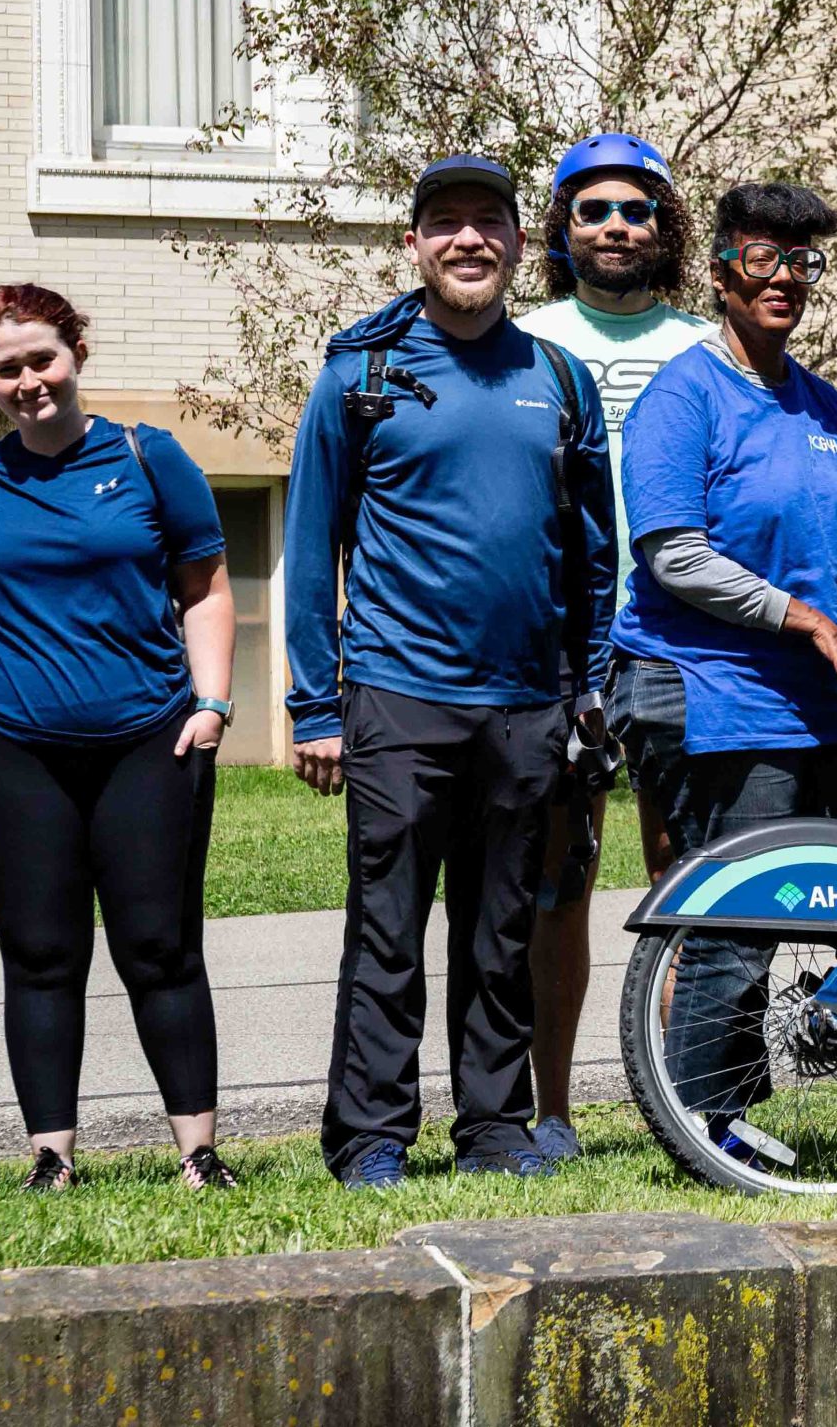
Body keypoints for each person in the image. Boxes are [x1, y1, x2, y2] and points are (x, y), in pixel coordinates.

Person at [613, 181, 837, 1155]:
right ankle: (708, 1118)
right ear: (723, 271)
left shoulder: (819, 402)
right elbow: (670, 552)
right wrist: (794, 616)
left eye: (803, 262)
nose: (785, 279)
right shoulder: (682, 396)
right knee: (739, 921)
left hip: (836, 698)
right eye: (763, 259)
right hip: (720, 690)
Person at [284, 153, 615, 1189]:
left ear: (522, 243)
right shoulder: (361, 376)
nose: (467, 240)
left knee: (500, 930)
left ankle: (492, 1129)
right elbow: (309, 547)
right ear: (413, 245)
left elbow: (593, 551)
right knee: (387, 929)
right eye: (445, 224)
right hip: (397, 695)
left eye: (488, 223)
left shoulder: (559, 380)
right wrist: (311, 704)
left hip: (526, 704)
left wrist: (588, 686)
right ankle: (371, 1137)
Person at [0, 284, 240, 1190]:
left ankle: (198, 1151)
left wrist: (211, 704)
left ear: (77, 350)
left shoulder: (149, 457)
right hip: (10, 745)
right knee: (39, 952)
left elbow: (207, 588)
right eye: (8, 368)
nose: (29, 380)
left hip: (150, 739)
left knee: (159, 946)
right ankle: (52, 1157)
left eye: (43, 358)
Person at [513, 131, 709, 1164]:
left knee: (684, 878)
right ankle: (551, 1111)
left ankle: (688, 1104)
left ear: (664, 227)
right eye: (593, 212)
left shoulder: (703, 347)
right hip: (562, 651)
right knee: (560, 880)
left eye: (635, 211)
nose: (616, 227)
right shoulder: (528, 340)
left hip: (680, 643)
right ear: (564, 231)